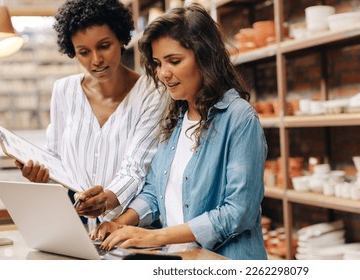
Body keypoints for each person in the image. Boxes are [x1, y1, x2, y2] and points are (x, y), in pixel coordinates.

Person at [91, 3, 268, 260]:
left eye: (174, 61)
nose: (163, 73)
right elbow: (154, 192)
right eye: (158, 63)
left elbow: (238, 212)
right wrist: (121, 222)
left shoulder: (239, 118)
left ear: (205, 57)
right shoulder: (175, 118)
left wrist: (156, 236)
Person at [15, 0, 166, 220]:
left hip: (129, 224)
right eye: (84, 52)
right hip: (74, 221)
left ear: (121, 39)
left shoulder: (152, 93)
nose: (96, 60)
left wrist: (107, 198)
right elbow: (55, 155)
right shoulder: (64, 91)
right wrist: (39, 171)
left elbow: (137, 167)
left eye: (104, 46)